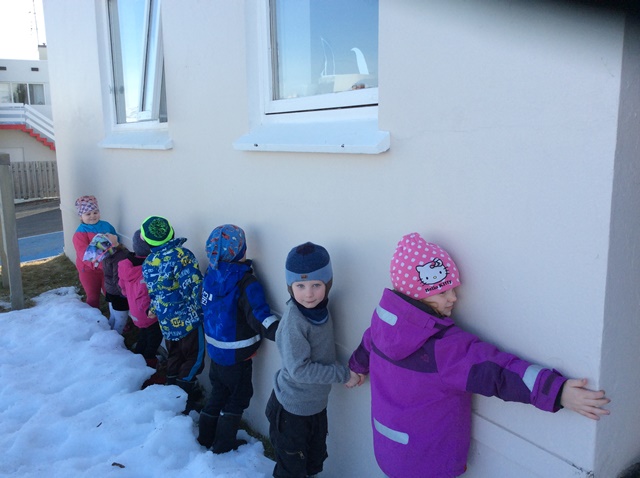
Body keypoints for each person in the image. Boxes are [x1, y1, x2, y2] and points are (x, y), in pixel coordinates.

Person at [348, 232, 612, 478]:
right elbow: (500, 373)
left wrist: (356, 367)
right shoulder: (443, 348)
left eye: (453, 289)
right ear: (417, 295)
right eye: (442, 292)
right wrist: (557, 391)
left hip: (389, 451)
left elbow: (367, 345)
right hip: (430, 463)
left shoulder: (383, 323)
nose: (453, 298)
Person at [266, 242, 361, 478]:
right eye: (300, 285)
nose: (308, 293)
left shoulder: (319, 309)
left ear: (328, 284)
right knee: (291, 469)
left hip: (314, 405)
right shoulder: (295, 321)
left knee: (312, 460)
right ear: (290, 287)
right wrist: (344, 374)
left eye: (316, 285)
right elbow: (299, 370)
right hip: (292, 410)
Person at [198, 224, 280, 454]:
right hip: (238, 356)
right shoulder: (246, 282)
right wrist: (281, 333)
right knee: (238, 397)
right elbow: (259, 315)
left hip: (215, 351)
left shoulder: (211, 274)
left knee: (218, 392)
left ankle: (205, 436)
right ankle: (223, 444)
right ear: (241, 250)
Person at [140, 216, 206, 413]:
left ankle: (170, 390)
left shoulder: (149, 262)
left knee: (175, 355)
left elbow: (155, 292)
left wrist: (153, 310)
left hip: (166, 321)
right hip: (189, 320)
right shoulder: (182, 255)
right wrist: (204, 310)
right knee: (194, 358)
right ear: (172, 232)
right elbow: (194, 287)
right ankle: (182, 396)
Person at [118, 229, 164, 384]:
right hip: (149, 313)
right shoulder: (150, 268)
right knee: (153, 341)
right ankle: (149, 373)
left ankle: (137, 358)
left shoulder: (126, 265)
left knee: (143, 335)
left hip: (135, 312)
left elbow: (122, 289)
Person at [72, 196, 117, 309]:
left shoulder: (106, 226)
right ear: (81, 216)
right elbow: (84, 255)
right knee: (92, 296)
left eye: (95, 212)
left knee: (111, 293)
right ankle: (93, 317)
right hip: (88, 271)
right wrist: (99, 264)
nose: (92, 216)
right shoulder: (80, 233)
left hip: (107, 268)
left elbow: (115, 240)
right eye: (88, 214)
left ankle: (115, 315)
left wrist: (115, 244)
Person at [102, 235, 131, 335]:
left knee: (113, 316)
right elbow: (118, 278)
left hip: (110, 289)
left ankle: (107, 333)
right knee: (121, 321)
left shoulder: (105, 254)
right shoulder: (119, 256)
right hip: (118, 293)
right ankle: (115, 340)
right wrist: (124, 293)